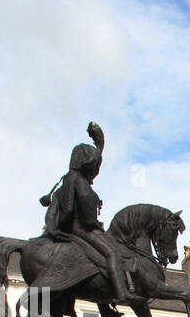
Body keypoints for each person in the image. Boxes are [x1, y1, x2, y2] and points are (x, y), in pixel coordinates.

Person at [39, 121, 133, 305]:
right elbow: (71, 209)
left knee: (104, 256)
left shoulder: (67, 181)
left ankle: (104, 306)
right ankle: (121, 294)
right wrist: (90, 223)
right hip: (82, 228)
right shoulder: (78, 181)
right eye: (93, 167)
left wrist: (100, 143)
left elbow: (53, 212)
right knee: (113, 254)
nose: (96, 171)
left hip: (74, 228)